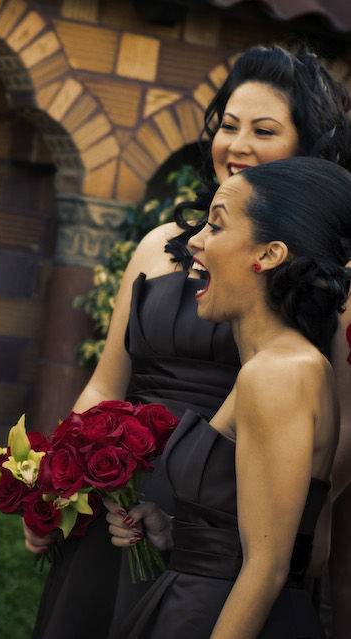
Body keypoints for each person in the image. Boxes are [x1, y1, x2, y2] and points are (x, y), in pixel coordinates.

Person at [28, 45, 351, 638]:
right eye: (228, 126)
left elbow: (339, 424)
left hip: (228, 515)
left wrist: (307, 521)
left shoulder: (324, 280)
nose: (239, 145)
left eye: (264, 130)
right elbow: (106, 381)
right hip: (125, 504)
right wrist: (58, 484)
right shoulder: (160, 246)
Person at [107, 155, 347, 637]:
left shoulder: (277, 374)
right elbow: (304, 550)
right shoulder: (273, 368)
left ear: (270, 254)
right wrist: (179, 534)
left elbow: (269, 570)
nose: (194, 239)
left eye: (216, 226)